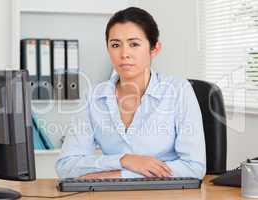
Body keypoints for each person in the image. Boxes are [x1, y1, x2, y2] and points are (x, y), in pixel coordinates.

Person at [55, 7, 206, 179]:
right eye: (115, 45)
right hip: (113, 195)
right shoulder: (94, 96)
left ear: (154, 49)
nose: (124, 54)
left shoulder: (179, 91)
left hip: (167, 194)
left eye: (134, 44)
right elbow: (66, 166)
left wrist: (118, 174)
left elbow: (194, 168)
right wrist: (124, 160)